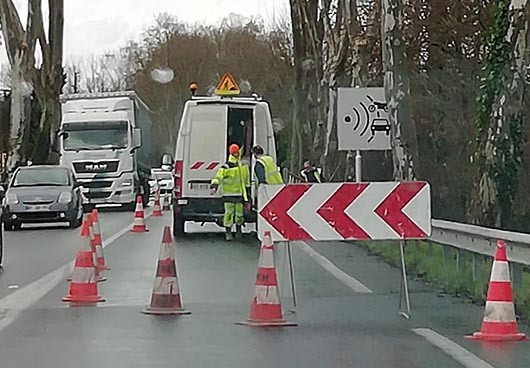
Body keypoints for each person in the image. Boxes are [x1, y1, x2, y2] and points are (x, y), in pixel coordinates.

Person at [210, 143, 248, 241]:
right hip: (229, 194)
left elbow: (245, 179)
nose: (235, 154)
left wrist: (248, 191)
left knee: (239, 214)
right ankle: (228, 232)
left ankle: (239, 229)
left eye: (236, 152)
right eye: (234, 152)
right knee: (229, 214)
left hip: (239, 194)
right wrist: (214, 186)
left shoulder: (242, 165)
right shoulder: (227, 166)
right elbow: (218, 177)